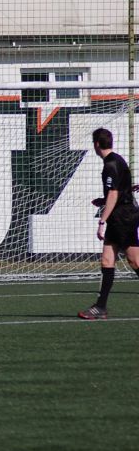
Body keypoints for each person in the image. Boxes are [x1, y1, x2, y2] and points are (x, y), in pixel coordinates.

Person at [78, 127, 139, 319]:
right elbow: (120, 192)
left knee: (134, 260)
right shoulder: (116, 161)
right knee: (106, 260)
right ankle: (100, 307)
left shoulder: (111, 164)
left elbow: (114, 193)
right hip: (119, 216)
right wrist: (104, 202)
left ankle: (100, 306)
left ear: (96, 144)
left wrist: (102, 220)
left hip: (123, 218)